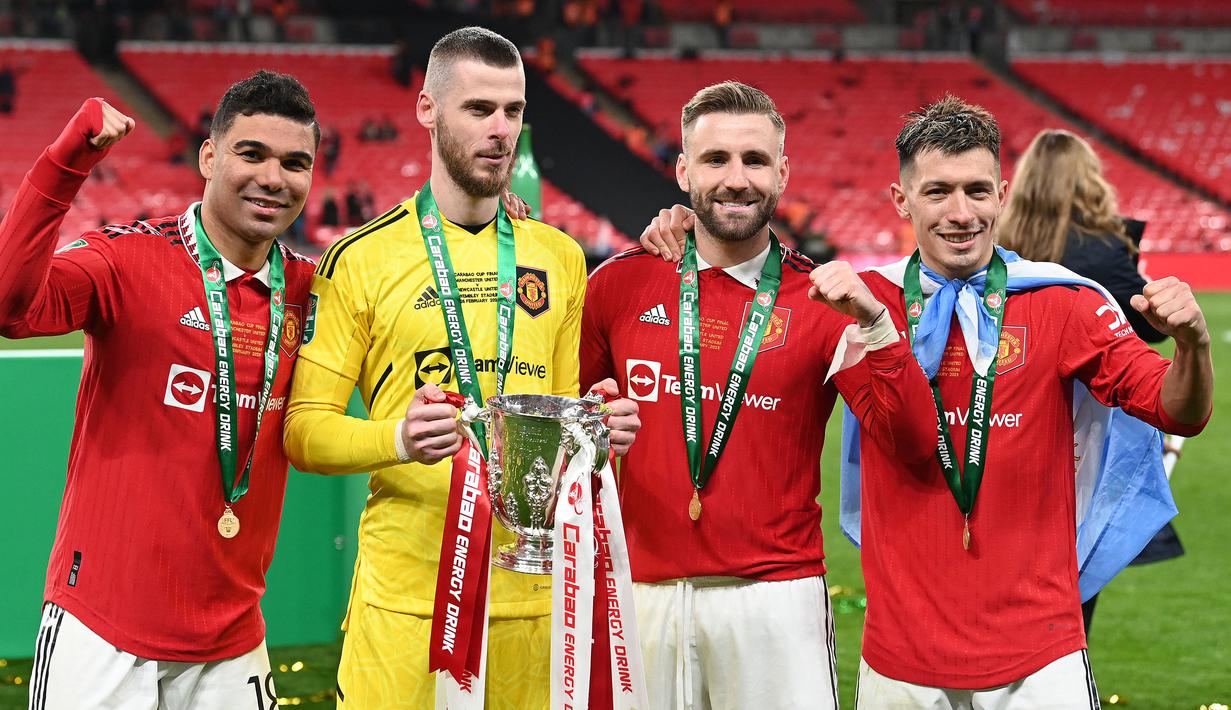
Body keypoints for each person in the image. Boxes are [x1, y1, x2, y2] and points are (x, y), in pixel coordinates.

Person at [640, 95, 1212, 707]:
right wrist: (678, 231)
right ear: (901, 199)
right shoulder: (857, 302)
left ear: (1003, 194)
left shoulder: (1066, 304)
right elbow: (740, 302)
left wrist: (1193, 345)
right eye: (938, 192)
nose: (960, 213)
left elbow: (1176, 410)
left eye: (977, 191)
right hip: (901, 661)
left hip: (1039, 654)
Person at [282, 26, 640, 709]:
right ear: (427, 109)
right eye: (479, 109)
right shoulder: (360, 259)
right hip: (407, 609)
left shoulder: (560, 257)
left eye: (512, 110)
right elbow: (304, 430)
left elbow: (564, 430)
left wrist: (600, 433)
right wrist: (398, 439)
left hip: (538, 606)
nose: (500, 129)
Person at [580, 81, 936, 709]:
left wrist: (877, 326)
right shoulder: (618, 285)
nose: (736, 179)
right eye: (716, 160)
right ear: (684, 169)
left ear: (783, 171)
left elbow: (910, 443)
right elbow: (563, 432)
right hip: (638, 594)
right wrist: (593, 421)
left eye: (756, 160)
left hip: (776, 601)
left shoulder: (827, 299)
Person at [0, 71, 320, 708]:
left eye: (295, 162)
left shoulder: (315, 293)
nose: (273, 178)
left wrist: (484, 212)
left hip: (233, 639)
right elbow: (10, 306)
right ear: (208, 156)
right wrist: (66, 163)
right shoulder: (127, 261)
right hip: (102, 630)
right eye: (251, 154)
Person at [998, 127, 1181, 633]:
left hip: (1004, 425)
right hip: (1090, 439)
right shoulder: (1103, 249)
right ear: (1088, 181)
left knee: (1002, 570)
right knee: (1076, 577)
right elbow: (1150, 329)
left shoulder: (994, 245)